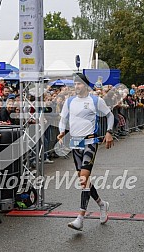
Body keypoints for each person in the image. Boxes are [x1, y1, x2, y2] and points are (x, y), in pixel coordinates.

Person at [57, 73, 114, 231]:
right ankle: (102, 204)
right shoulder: (69, 101)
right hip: (75, 143)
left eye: (80, 84)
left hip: (90, 142)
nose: (76, 87)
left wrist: (109, 132)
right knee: (85, 181)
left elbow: (110, 115)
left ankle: (80, 218)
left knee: (83, 179)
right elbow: (63, 119)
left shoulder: (96, 100)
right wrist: (62, 131)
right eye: (75, 84)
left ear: (86, 85)